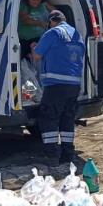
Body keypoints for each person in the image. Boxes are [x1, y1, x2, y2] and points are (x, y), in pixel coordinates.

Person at [32, 10, 85, 166]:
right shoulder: (77, 34)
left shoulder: (52, 33)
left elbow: (36, 56)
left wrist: (34, 47)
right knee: (67, 118)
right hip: (74, 84)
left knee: (48, 117)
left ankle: (52, 155)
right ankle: (68, 154)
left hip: (56, 83)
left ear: (51, 21)